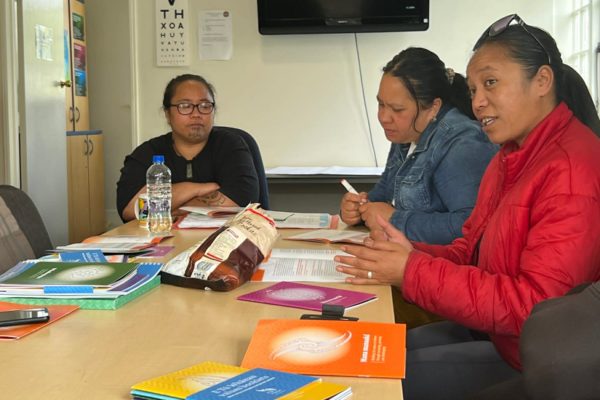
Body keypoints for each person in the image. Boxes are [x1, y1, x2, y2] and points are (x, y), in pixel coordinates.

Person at [335, 14, 600, 400]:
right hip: (495, 331)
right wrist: (409, 254)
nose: (477, 102)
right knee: (368, 353)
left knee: (374, 382)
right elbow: (468, 250)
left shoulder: (572, 170)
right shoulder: (508, 157)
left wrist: (411, 270)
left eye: (491, 83)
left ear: (542, 81)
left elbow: (535, 308)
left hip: (535, 358)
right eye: (473, 87)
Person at [340, 47, 497, 245]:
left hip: (437, 269)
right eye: (381, 104)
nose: (383, 118)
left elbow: (470, 226)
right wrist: (358, 209)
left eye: (397, 109)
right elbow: (385, 193)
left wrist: (395, 220)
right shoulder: (408, 132)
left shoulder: (462, 145)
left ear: (433, 108)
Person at [117, 74, 260, 222]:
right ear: (167, 114)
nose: (196, 114)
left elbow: (243, 200)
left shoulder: (230, 145)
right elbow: (129, 210)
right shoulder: (147, 153)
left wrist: (169, 207)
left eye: (205, 106)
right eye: (185, 106)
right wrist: (193, 189)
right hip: (162, 240)